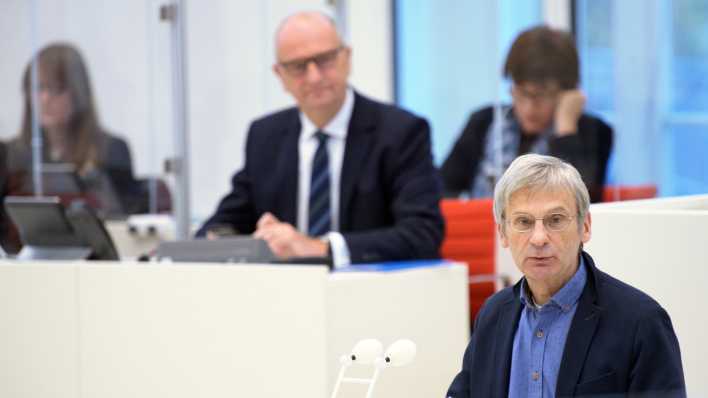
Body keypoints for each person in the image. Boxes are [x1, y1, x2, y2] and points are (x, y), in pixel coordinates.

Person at [197, 11, 444, 267]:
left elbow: (422, 233)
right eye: (298, 67)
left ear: (347, 58)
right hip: (283, 295)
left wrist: (319, 248)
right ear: (279, 75)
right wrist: (243, 240)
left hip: (372, 292)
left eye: (324, 60)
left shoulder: (401, 132)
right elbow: (223, 224)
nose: (314, 77)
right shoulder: (265, 136)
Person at [446, 154, 685, 397]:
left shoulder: (640, 322)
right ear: (503, 233)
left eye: (555, 220)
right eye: (524, 222)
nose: (539, 238)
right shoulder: (493, 314)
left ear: (586, 227)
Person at [441, 25, 613, 203]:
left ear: (567, 92)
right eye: (522, 92)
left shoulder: (594, 131)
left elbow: (585, 207)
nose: (529, 107)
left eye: (542, 94)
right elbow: (442, 191)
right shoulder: (485, 122)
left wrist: (566, 131)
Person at [5, 43, 148, 218]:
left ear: (78, 93)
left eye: (57, 89)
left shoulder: (111, 149)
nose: (45, 99)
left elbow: (122, 222)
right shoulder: (13, 153)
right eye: (38, 88)